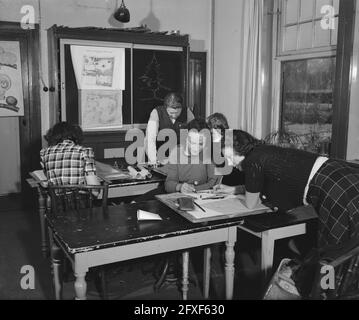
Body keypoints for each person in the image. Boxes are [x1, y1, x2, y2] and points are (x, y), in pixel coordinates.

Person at [221, 129, 359, 248]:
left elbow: (250, 204)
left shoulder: (251, 161)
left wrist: (238, 195)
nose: (230, 163)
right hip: (339, 172)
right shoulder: (262, 150)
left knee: (335, 251)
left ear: (241, 149)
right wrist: (234, 190)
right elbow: (261, 184)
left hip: (331, 186)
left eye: (230, 157)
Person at [165, 118, 218, 193]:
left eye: (200, 144)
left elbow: (213, 183)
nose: (195, 148)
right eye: (192, 143)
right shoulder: (176, 152)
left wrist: (195, 189)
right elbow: (168, 184)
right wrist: (179, 187)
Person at [40, 122, 99, 186]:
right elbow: (94, 188)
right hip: (80, 195)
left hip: (55, 195)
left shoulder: (44, 153)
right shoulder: (84, 151)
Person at [145, 92, 194, 164]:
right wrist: (154, 160)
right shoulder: (156, 113)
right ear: (165, 107)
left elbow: (195, 135)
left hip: (181, 157)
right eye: (171, 113)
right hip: (160, 155)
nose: (174, 116)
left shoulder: (187, 112)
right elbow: (150, 138)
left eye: (177, 113)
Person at [206, 112, 245, 192]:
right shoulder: (213, 144)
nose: (210, 134)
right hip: (223, 184)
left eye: (213, 131)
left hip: (237, 183)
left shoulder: (232, 141)